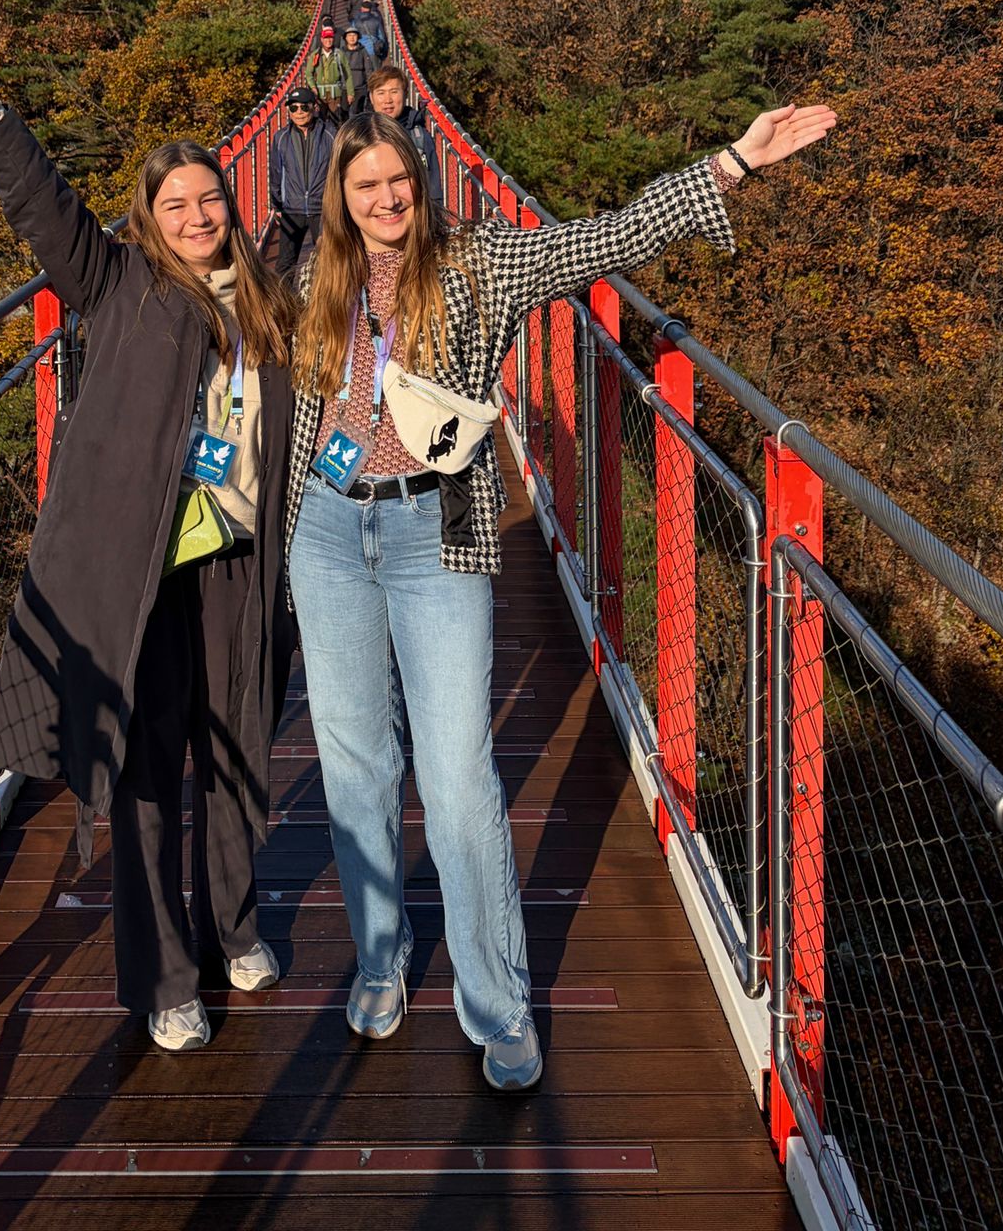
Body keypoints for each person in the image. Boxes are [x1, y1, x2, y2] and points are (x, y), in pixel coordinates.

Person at [284, 101, 837, 1091]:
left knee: (456, 774)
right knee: (354, 761)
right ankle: (379, 959)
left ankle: (496, 1001)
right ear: (342, 199)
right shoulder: (311, 276)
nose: (383, 198)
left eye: (396, 181)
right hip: (327, 529)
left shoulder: (481, 264)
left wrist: (732, 164)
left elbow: (603, 238)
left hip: (435, 531)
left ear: (422, 181)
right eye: (363, 186)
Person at [0, 0, 299, 1054]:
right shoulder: (115, 284)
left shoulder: (267, 299)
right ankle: (166, 976)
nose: (199, 215)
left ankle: (235, 926)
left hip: (240, 562)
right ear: (146, 218)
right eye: (178, 205)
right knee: (152, 768)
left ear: (232, 205)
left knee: (240, 744)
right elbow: (39, 201)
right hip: (139, 571)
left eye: (211, 198)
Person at [269, 85, 335, 278]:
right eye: (293, 108)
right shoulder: (280, 138)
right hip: (292, 208)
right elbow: (276, 173)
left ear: (314, 108)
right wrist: (277, 205)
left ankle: (324, 305)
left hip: (322, 209)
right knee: (285, 265)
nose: (299, 112)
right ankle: (285, 306)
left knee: (328, 262)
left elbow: (339, 172)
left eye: (304, 107)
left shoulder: (331, 135)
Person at [367, 64, 442, 203]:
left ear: (406, 94)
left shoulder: (419, 136)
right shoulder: (362, 138)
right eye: (381, 93)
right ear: (371, 98)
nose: (387, 100)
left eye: (394, 92)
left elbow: (433, 188)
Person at [307, 21, 355, 118]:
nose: (328, 40)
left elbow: (348, 75)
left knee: (337, 120)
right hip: (320, 95)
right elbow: (308, 73)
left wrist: (350, 93)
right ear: (321, 39)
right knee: (320, 121)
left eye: (330, 38)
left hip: (335, 94)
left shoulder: (339, 54)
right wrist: (313, 87)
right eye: (326, 38)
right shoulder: (315, 55)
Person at [341, 26, 374, 112]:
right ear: (346, 38)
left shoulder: (363, 51)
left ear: (358, 37)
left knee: (358, 112)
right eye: (349, 35)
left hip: (360, 86)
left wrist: (370, 84)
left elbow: (368, 69)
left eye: (354, 35)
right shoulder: (341, 52)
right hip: (344, 87)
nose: (352, 38)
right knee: (343, 112)